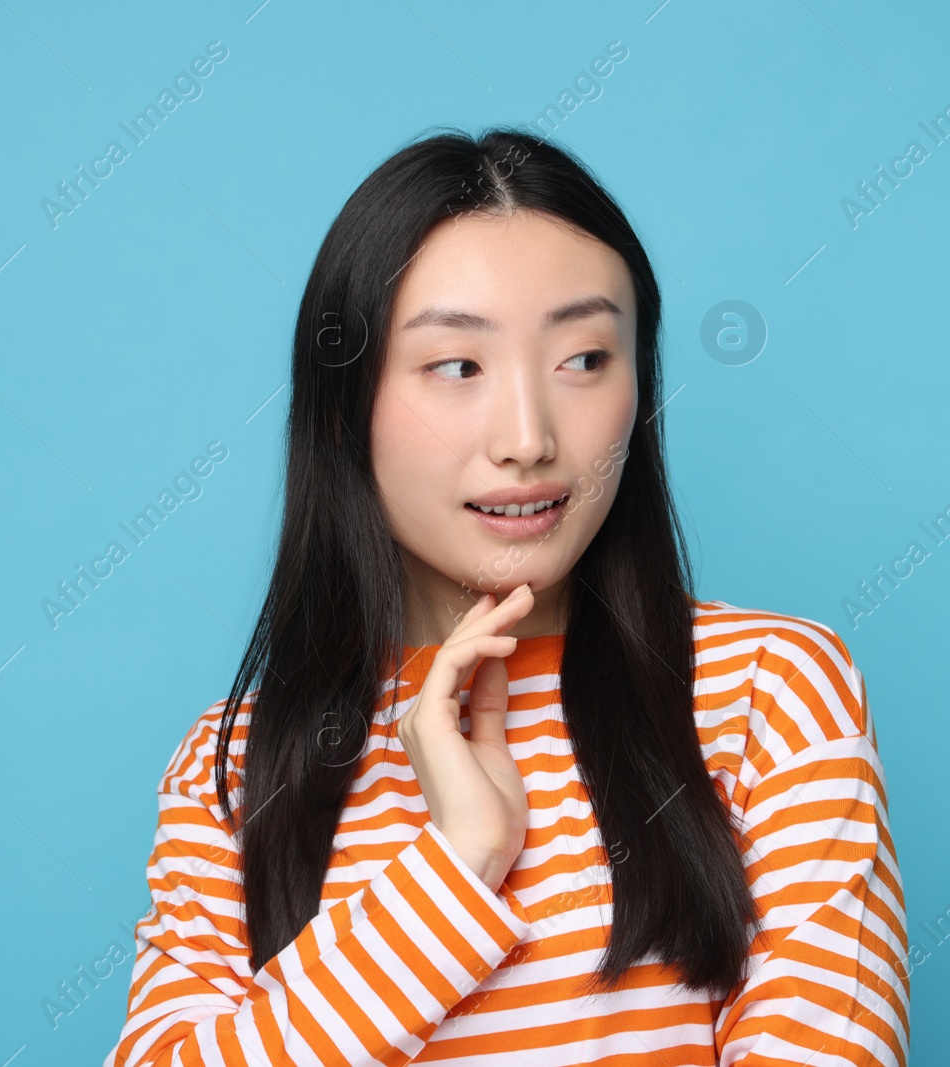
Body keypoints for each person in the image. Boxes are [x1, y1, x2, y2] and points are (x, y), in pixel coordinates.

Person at [105, 126, 908, 1066]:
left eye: (584, 359)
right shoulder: (233, 767)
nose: (528, 437)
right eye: (458, 366)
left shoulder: (771, 692)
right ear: (343, 401)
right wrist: (455, 868)